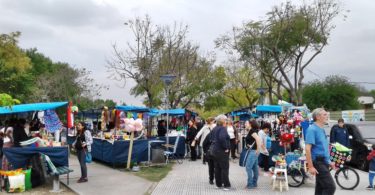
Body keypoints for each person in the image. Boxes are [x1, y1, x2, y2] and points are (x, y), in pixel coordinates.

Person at [305, 108, 336, 195]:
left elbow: (323, 148)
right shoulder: (312, 129)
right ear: (318, 117)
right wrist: (310, 167)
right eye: (325, 115)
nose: (327, 116)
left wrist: (329, 161)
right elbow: (307, 149)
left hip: (323, 162)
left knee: (320, 188)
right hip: (318, 163)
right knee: (330, 187)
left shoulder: (321, 129)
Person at [211, 114, 231, 191]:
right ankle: (226, 185)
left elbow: (211, 137)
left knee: (217, 168)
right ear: (222, 121)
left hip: (215, 151)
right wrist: (226, 147)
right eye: (225, 119)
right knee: (224, 168)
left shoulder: (215, 128)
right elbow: (222, 138)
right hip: (221, 151)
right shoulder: (222, 128)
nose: (226, 121)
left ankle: (218, 184)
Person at [245, 119, 262, 189]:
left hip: (253, 152)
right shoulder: (253, 130)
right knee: (255, 168)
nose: (245, 124)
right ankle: (254, 183)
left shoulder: (252, 131)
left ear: (250, 124)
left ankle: (250, 184)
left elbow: (258, 139)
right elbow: (255, 140)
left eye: (246, 123)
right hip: (253, 150)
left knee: (248, 167)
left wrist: (258, 149)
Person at [202, 120, 216, 185]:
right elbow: (204, 144)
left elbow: (203, 144)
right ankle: (211, 179)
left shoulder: (213, 135)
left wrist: (205, 152)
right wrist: (206, 152)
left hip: (215, 154)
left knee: (212, 167)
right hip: (210, 154)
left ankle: (212, 179)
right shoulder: (209, 135)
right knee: (211, 167)